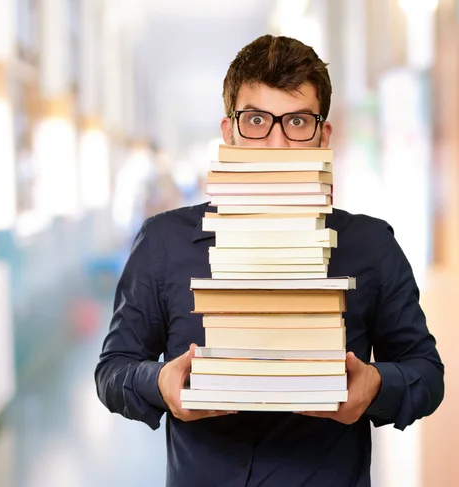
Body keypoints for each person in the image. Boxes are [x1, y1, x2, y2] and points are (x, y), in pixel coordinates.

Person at [94, 34, 445, 487]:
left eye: (297, 122)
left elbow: (426, 374)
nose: (277, 145)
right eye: (257, 119)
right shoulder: (163, 242)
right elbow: (112, 369)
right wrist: (159, 382)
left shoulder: (371, 245)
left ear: (324, 135)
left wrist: (376, 385)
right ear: (229, 133)